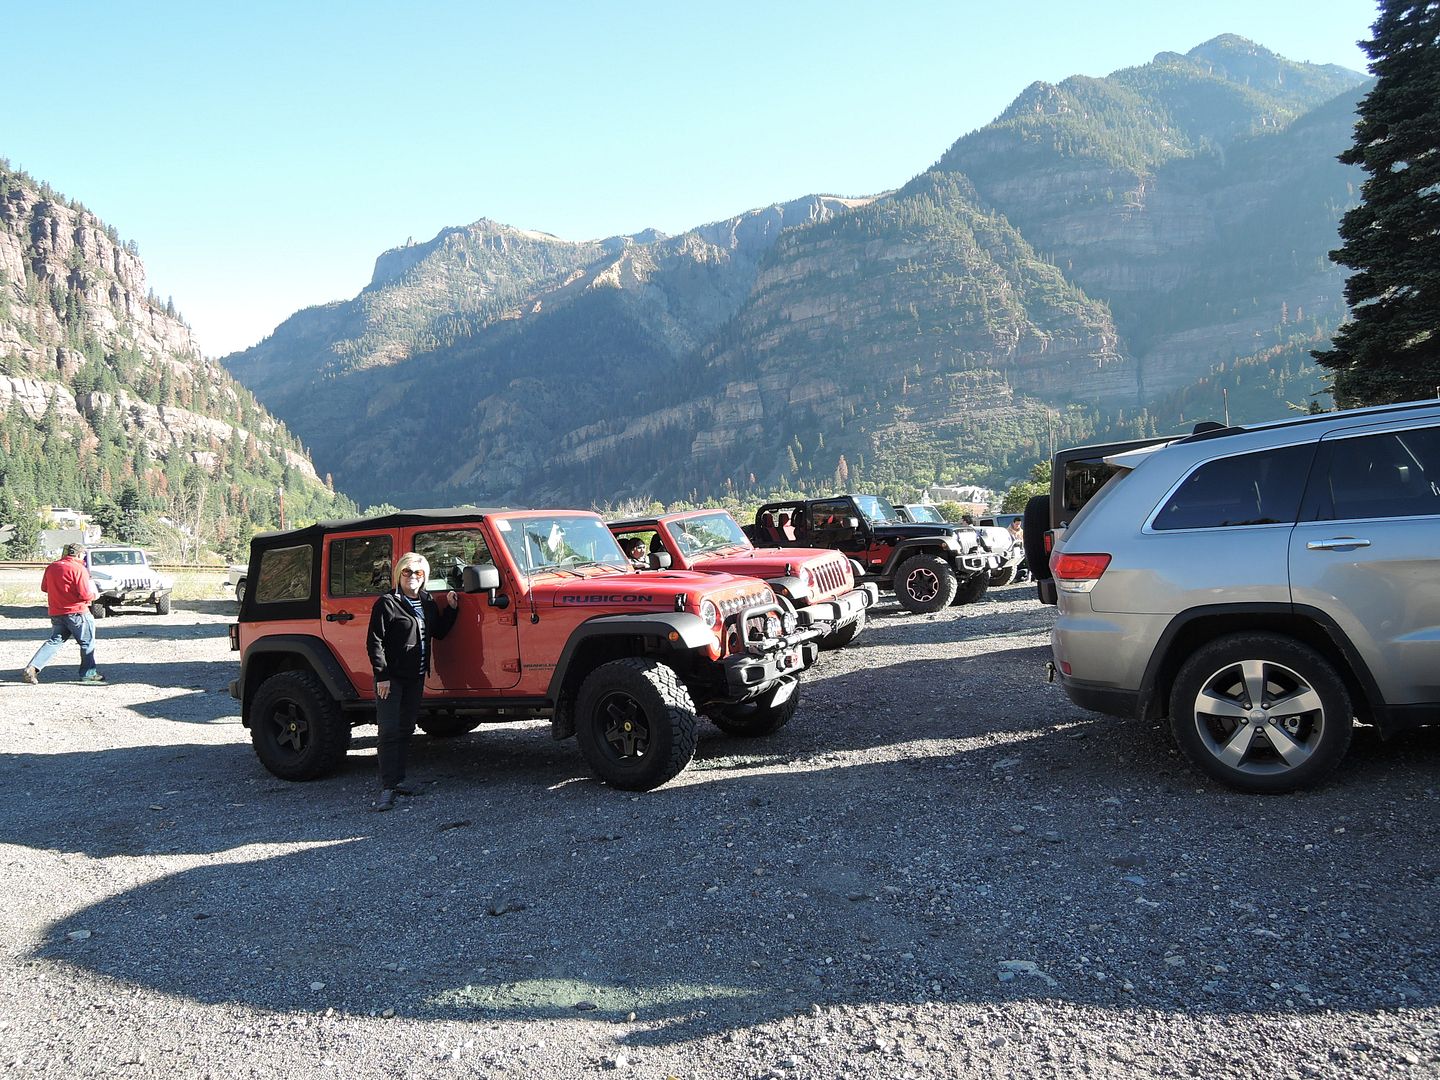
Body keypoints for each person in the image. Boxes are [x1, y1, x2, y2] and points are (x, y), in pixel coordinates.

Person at [365, 552, 459, 811]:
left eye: (418, 573)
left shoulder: (427, 602)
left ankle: (400, 780)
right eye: (407, 572)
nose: (413, 578)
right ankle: (387, 788)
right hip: (390, 679)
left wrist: (452, 609)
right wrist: (381, 676)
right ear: (399, 575)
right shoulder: (386, 603)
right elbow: (375, 642)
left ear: (425, 576)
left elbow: (438, 632)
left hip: (415, 677)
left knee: (406, 729)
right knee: (388, 731)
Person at [22, 543, 104, 685]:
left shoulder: (52, 567)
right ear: (78, 554)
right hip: (78, 612)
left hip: (57, 612)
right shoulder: (79, 569)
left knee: (55, 641)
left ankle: (33, 667)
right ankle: (88, 674)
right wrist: (94, 596)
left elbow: (44, 588)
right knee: (87, 643)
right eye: (83, 555)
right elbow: (85, 594)